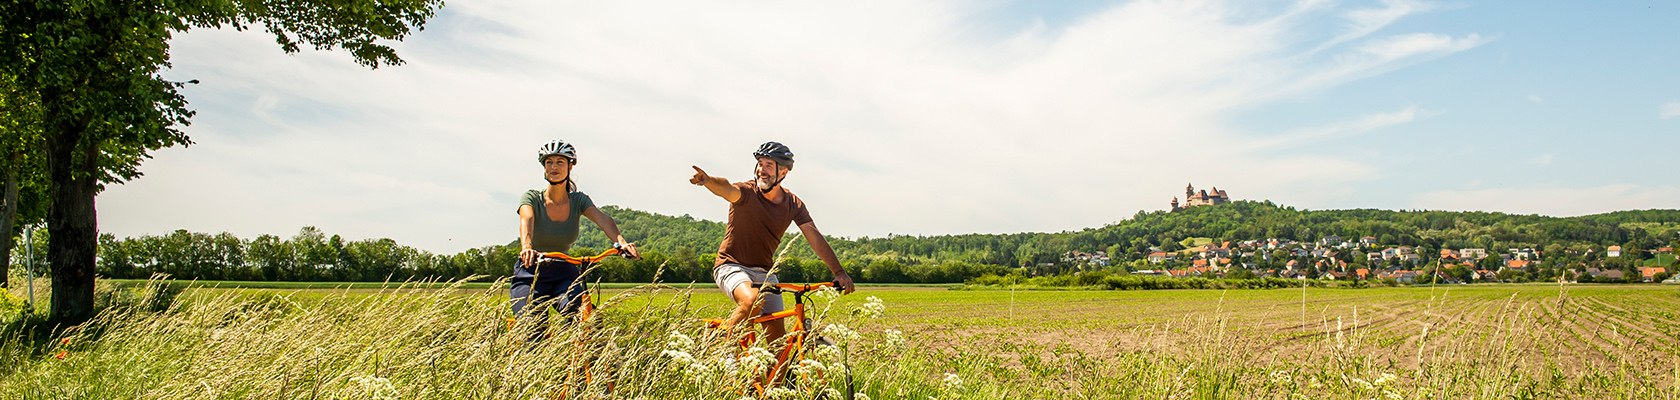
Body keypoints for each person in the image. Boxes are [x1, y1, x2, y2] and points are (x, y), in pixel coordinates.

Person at [689, 141, 856, 347]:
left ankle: (777, 378)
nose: (761, 170)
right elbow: (727, 189)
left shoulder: (793, 204)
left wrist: (838, 271)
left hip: (765, 273)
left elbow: (814, 237)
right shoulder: (747, 192)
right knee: (752, 301)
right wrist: (707, 180)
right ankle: (724, 349)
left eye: (769, 165)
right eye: (760, 164)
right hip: (731, 265)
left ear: (783, 172)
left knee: (778, 343)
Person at [511, 139, 639, 339]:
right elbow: (526, 218)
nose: (554, 167)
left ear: (570, 166)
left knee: (586, 320)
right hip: (530, 272)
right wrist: (527, 246)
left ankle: (594, 366)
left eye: (560, 162)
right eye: (549, 162)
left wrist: (621, 243)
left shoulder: (578, 200)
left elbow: (604, 220)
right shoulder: (532, 198)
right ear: (543, 167)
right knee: (532, 326)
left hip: (563, 272)